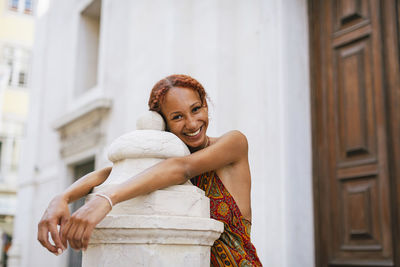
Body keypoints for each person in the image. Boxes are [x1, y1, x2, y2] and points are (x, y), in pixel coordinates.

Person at [38, 74, 262, 266]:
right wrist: (62, 198)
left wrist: (106, 199)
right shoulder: (166, 165)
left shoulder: (233, 143)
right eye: (177, 117)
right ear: (164, 124)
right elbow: (111, 172)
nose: (192, 123)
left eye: (196, 109)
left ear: (205, 104)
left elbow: (183, 169)